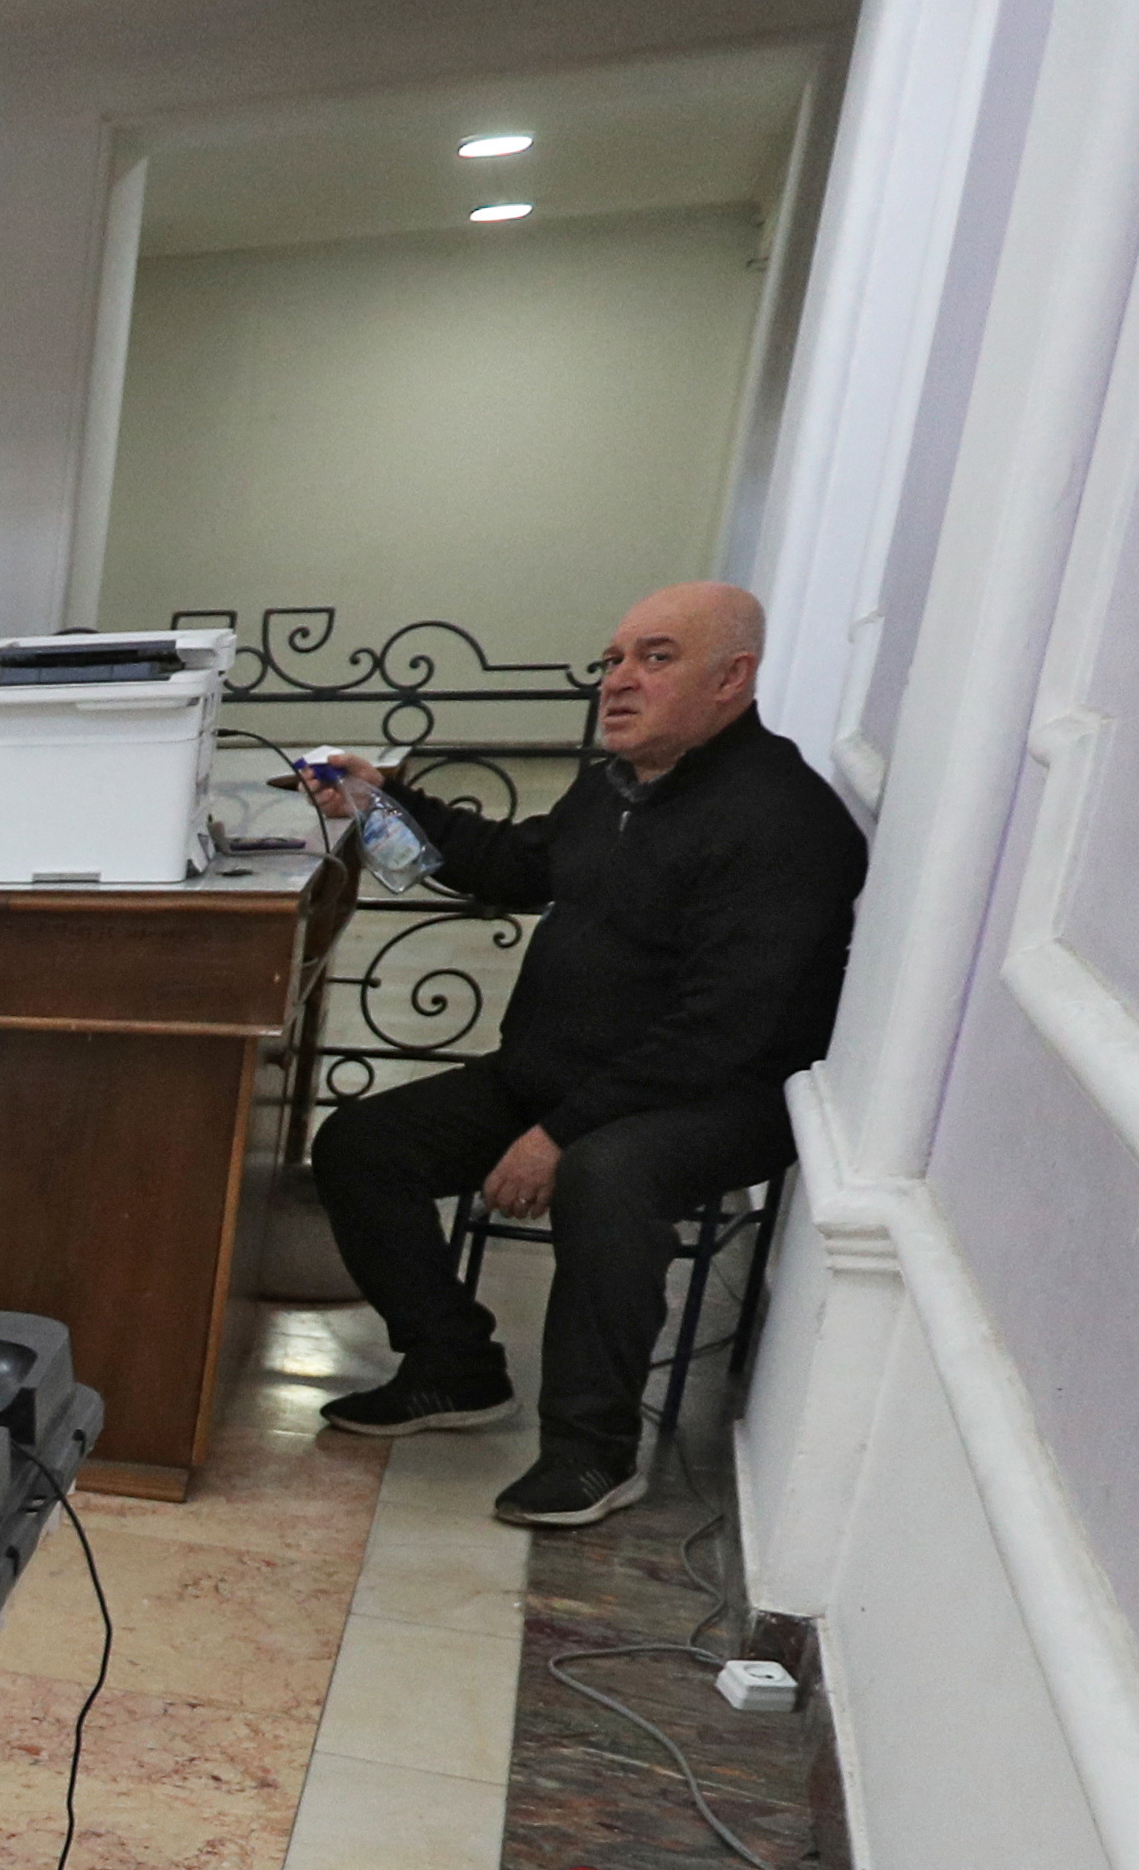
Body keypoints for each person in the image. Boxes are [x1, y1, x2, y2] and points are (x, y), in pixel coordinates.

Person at [299, 581, 866, 1527]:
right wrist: (383, 797)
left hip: (715, 1097)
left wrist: (556, 1134)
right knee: (362, 1144)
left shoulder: (781, 819)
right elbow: (523, 866)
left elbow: (721, 1029)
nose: (619, 681)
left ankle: (593, 1449)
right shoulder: (618, 786)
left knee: (607, 1176)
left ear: (734, 678)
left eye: (655, 657)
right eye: (611, 660)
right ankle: (454, 1367)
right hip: (568, 1072)